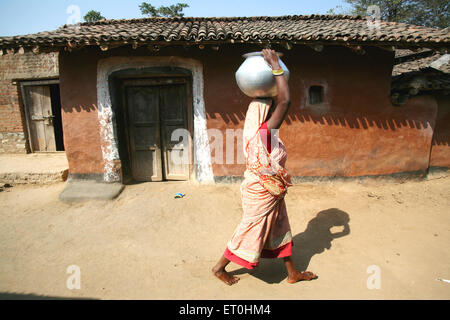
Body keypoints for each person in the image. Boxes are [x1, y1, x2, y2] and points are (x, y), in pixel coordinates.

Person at [212, 49, 318, 285]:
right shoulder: (265, 133)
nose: (275, 112)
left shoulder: (258, 133)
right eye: (271, 109)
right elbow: (285, 101)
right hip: (262, 191)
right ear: (264, 114)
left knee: (281, 227)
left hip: (270, 190)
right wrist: (275, 65)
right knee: (250, 229)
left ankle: (293, 273)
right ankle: (219, 268)